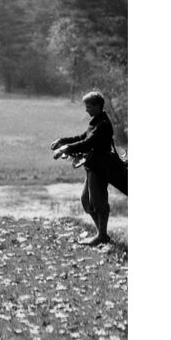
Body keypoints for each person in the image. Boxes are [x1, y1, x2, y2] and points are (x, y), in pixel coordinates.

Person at [51, 90, 115, 247]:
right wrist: (62, 141)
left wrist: (64, 149)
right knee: (86, 201)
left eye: (89, 106)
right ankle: (102, 234)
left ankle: (102, 235)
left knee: (99, 202)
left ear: (98, 106)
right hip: (91, 167)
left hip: (100, 168)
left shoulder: (103, 125)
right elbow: (81, 138)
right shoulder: (95, 122)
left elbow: (87, 144)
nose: (86, 109)